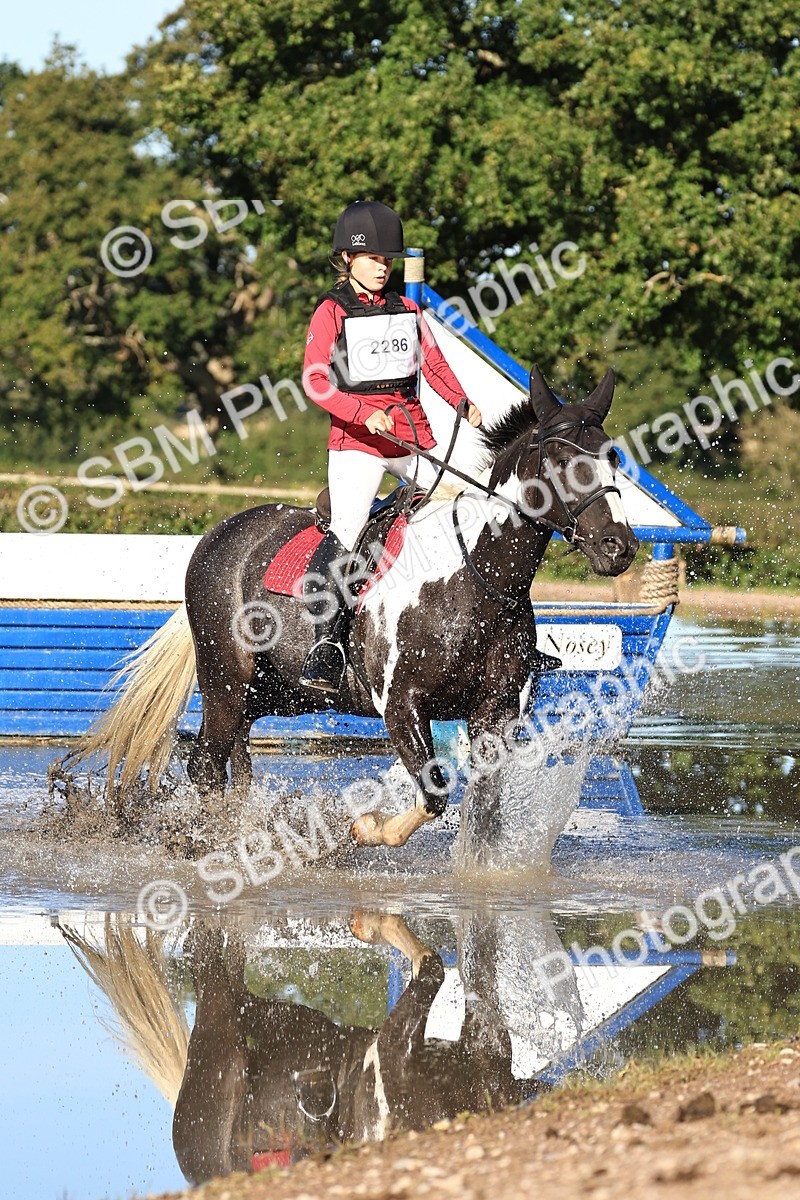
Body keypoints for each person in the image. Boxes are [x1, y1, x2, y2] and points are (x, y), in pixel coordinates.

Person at [300, 200, 481, 692]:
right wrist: (364, 413)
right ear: (347, 258)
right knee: (349, 530)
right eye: (373, 258)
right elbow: (316, 381)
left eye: (388, 259)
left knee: (467, 508)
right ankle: (328, 644)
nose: (382, 266)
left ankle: (492, 631)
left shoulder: (408, 309)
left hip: (409, 437)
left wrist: (461, 401)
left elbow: (435, 365)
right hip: (358, 442)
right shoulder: (331, 310)